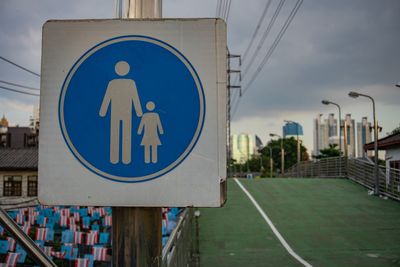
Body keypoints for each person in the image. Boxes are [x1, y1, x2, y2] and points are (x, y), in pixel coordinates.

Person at [99, 61, 142, 164]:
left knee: (116, 133)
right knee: (126, 133)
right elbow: (135, 98)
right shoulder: (130, 83)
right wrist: (139, 112)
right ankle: (125, 159)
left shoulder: (113, 83)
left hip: (118, 112)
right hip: (126, 112)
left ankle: (115, 159)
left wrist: (103, 111)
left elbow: (107, 98)